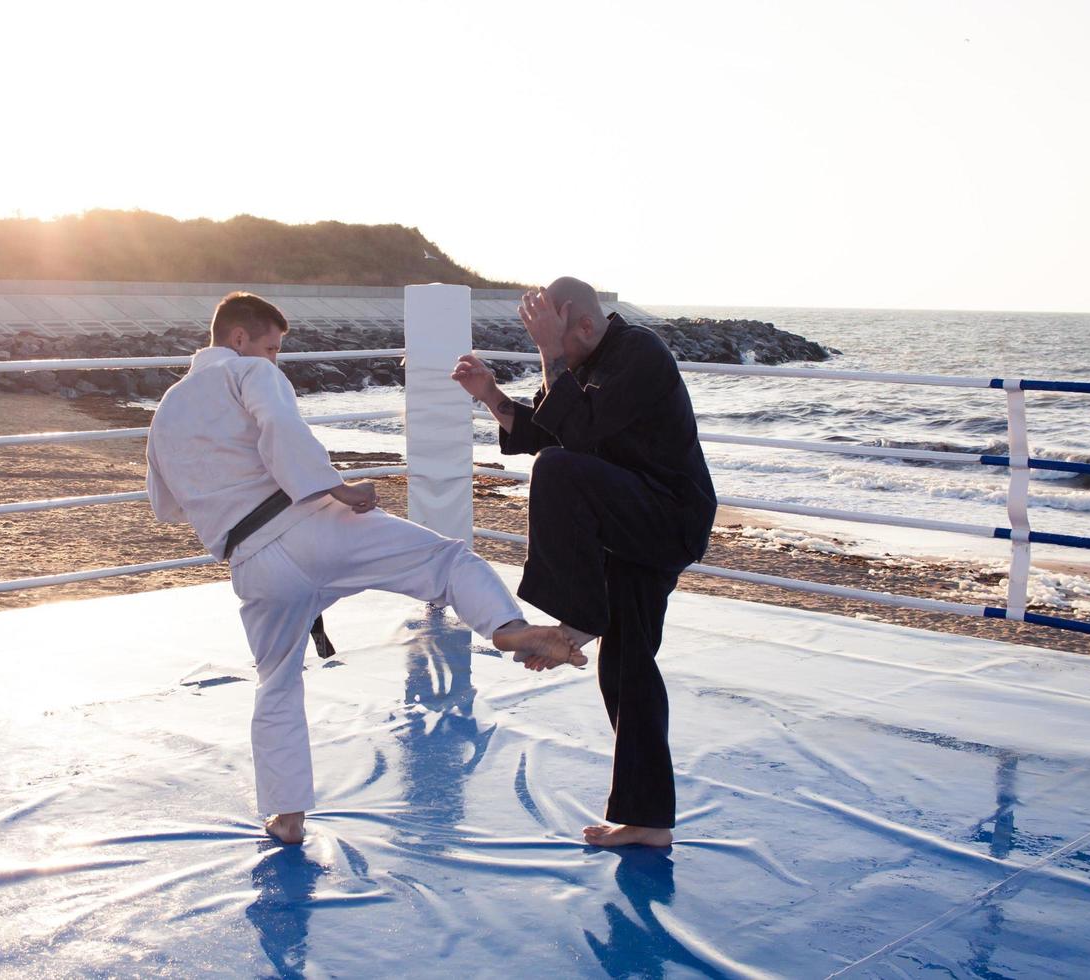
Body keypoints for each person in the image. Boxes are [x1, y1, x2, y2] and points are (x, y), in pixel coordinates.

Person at [146, 291, 584, 845]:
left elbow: (166, 505)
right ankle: (508, 628)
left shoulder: (167, 409)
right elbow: (280, 427)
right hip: (310, 525)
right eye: (272, 348)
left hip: (250, 561)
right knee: (445, 560)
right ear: (239, 340)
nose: (275, 359)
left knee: (276, 683)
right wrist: (338, 487)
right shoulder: (247, 374)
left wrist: (224, 496)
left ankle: (286, 817)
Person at [451, 277, 717, 848]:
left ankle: (576, 621)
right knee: (627, 666)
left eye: (557, 337)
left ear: (586, 327)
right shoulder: (588, 367)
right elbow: (551, 423)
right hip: (628, 524)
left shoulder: (640, 353)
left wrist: (549, 352)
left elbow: (575, 434)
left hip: (668, 517)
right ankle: (648, 821)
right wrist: (490, 395)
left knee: (555, 468)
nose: (551, 354)